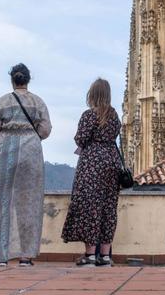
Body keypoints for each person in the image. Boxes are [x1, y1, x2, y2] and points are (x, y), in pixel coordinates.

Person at [0, 63, 52, 267]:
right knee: (29, 202)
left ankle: (0, 255)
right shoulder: (38, 102)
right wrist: (30, 135)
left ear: (12, 80)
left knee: (0, 201)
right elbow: (45, 130)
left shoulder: (3, 101)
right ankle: (26, 256)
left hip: (5, 149)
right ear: (28, 80)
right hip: (31, 149)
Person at [61, 78, 122, 268]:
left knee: (90, 207)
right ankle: (104, 256)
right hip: (112, 162)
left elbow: (81, 138)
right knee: (108, 207)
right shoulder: (114, 116)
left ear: (92, 94)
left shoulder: (89, 115)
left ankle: (90, 255)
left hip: (92, 163)